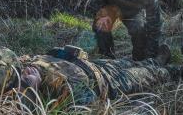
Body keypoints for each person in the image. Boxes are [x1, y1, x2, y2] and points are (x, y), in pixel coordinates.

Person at [19, 44, 172, 105]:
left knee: (131, 62)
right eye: (26, 83)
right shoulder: (49, 90)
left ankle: (155, 61)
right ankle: (180, 71)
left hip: (91, 64)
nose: (26, 76)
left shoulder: (19, 66)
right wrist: (32, 88)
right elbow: (88, 105)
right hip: (108, 83)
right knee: (150, 75)